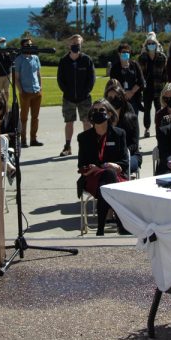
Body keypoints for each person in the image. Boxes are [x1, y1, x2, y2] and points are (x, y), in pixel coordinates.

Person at [76, 99, 129, 236]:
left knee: (108, 178)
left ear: (110, 114)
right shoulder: (84, 137)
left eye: (101, 110)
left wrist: (115, 165)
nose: (97, 113)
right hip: (93, 178)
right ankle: (120, 225)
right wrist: (96, 168)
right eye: (94, 111)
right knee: (108, 177)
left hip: (115, 177)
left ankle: (100, 231)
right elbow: (81, 165)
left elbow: (124, 162)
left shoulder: (119, 134)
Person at [56, 33, 96, 157]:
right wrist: (67, 92)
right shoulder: (64, 61)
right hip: (68, 98)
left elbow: (92, 79)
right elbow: (60, 79)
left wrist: (86, 92)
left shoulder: (86, 60)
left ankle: (89, 146)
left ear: (81, 44)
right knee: (69, 122)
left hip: (84, 98)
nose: (76, 46)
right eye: (73, 44)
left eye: (78, 44)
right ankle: (67, 147)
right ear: (69, 45)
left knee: (87, 122)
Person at [103, 80, 142, 174]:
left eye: (116, 97)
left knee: (119, 168)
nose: (113, 99)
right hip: (109, 156)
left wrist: (121, 154)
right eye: (110, 98)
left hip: (130, 155)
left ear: (122, 98)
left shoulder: (131, 119)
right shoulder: (104, 120)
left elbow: (134, 144)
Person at [137, 32, 167, 137]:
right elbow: (140, 73)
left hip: (159, 88)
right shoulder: (142, 58)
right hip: (147, 89)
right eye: (149, 43)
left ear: (156, 44)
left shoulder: (162, 57)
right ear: (146, 45)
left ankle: (159, 128)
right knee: (147, 110)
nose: (151, 45)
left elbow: (165, 73)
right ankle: (147, 128)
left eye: (153, 43)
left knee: (159, 110)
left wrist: (165, 85)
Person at [108, 42, 145, 115]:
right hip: (120, 98)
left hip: (134, 98)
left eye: (127, 52)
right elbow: (113, 82)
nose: (126, 53)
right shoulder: (115, 68)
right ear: (119, 53)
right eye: (123, 52)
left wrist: (131, 92)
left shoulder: (135, 65)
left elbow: (141, 81)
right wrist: (123, 94)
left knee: (133, 120)